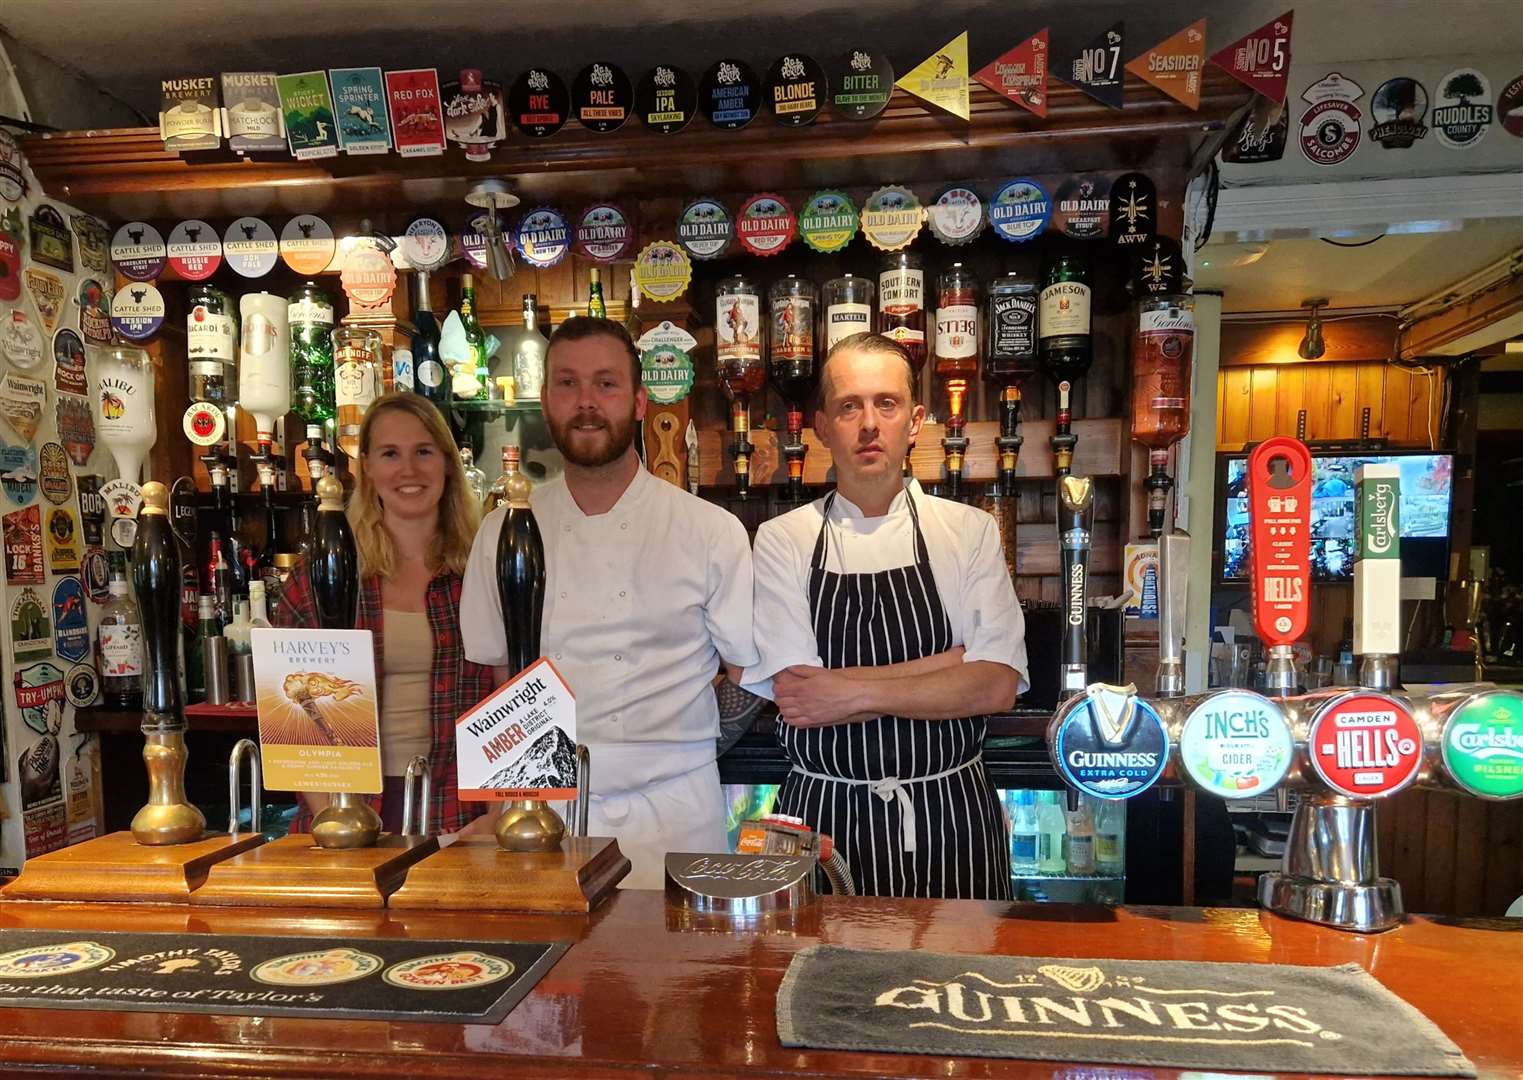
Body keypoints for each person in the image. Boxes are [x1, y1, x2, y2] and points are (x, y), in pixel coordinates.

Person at [461, 317, 758, 888]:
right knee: (554, 976)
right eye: (567, 384)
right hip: (550, 813)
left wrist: (676, 747)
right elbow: (504, 683)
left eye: (606, 384)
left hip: (679, 813)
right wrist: (507, 805)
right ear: (545, 400)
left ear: (640, 402)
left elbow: (744, 671)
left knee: (680, 977)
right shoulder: (502, 531)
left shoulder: (708, 530)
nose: (586, 403)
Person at [745, 332, 1028, 900]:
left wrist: (847, 691)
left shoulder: (966, 531)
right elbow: (800, 695)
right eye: (850, 406)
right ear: (822, 426)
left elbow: (996, 685)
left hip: (952, 817)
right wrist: (948, 665)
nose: (869, 423)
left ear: (915, 420)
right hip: (821, 821)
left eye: (887, 404)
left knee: (961, 985)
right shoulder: (782, 540)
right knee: (816, 986)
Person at [272, 392, 494, 836]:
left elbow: (510, 691)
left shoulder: (482, 571)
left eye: (424, 452)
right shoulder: (324, 577)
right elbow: (296, 717)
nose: (409, 470)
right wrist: (337, 819)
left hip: (459, 808)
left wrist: (495, 816)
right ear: (367, 468)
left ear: (448, 463)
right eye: (391, 453)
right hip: (345, 806)